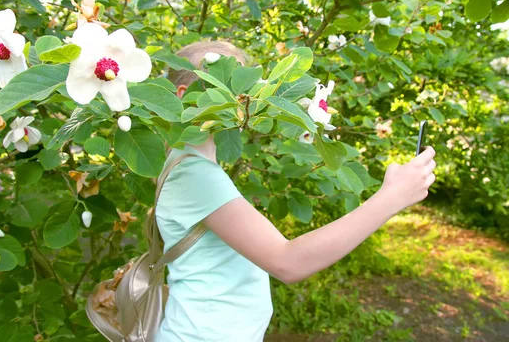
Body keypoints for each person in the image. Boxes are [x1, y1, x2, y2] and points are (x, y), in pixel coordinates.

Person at [155, 41, 436, 341]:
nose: (241, 101)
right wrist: (391, 198)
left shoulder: (190, 165)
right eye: (226, 87)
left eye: (243, 89)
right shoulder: (194, 175)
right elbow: (288, 262)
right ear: (185, 99)